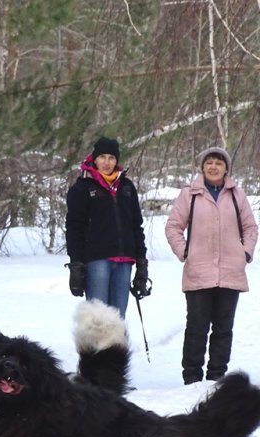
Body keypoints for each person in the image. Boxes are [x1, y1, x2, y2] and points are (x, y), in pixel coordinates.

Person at [165, 146, 257, 385]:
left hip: (230, 273)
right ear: (202, 167)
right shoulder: (190, 194)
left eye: (218, 162)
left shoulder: (237, 194)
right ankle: (192, 377)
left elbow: (250, 227)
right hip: (199, 272)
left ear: (226, 168)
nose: (213, 166)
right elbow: (174, 226)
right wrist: (185, 251)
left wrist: (244, 253)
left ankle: (217, 376)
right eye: (209, 162)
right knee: (196, 328)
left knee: (223, 329)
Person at [65, 136, 150, 318]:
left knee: (118, 317)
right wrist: (76, 264)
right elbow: (74, 227)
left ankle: (116, 347)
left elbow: (136, 225)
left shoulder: (126, 187)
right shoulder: (83, 188)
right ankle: (96, 348)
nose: (107, 162)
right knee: (98, 317)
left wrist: (142, 262)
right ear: (94, 159)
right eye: (102, 157)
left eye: (111, 158)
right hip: (97, 259)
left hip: (124, 260)